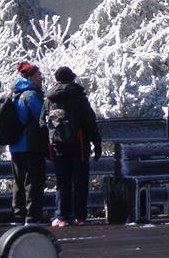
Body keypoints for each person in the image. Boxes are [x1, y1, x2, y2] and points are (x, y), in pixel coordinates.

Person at [41, 66, 101, 227]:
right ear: (72, 78)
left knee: (62, 182)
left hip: (57, 146)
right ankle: (79, 216)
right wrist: (97, 141)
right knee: (80, 181)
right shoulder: (78, 95)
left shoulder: (49, 98)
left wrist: (47, 145)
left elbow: (42, 122)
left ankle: (61, 216)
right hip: (79, 145)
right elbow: (89, 120)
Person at [10, 61, 47, 225]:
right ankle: (32, 216)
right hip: (31, 145)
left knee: (19, 182)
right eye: (39, 76)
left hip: (16, 145)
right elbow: (42, 116)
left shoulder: (16, 94)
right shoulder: (31, 95)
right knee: (33, 181)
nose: (41, 79)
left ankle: (19, 215)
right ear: (30, 77)